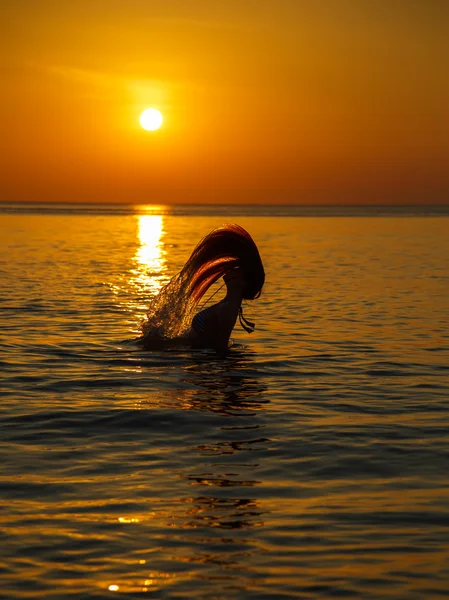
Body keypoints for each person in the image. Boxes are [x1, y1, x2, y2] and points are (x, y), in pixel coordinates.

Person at [139, 224, 265, 354]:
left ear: (242, 282)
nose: (230, 270)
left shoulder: (228, 309)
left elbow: (218, 350)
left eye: (237, 270)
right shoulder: (226, 305)